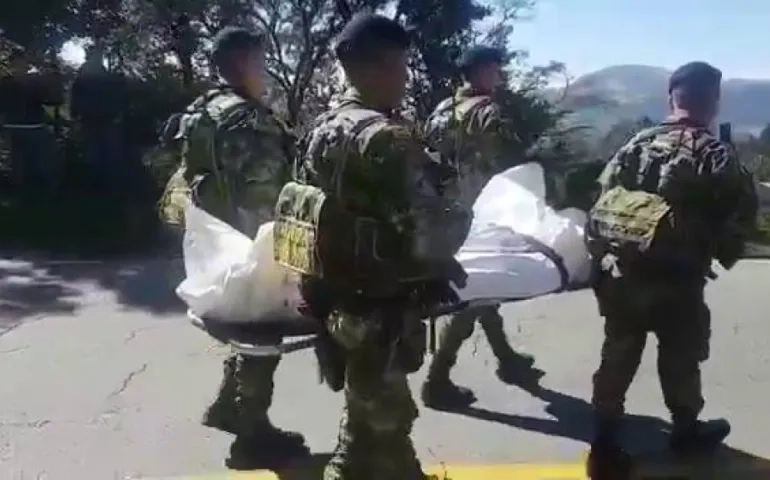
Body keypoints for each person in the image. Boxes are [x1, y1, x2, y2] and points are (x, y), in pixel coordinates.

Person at [278, 13, 469, 479]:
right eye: (400, 67)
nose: (405, 79)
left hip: (334, 296)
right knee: (388, 418)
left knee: (368, 410)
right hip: (380, 302)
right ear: (373, 69)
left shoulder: (320, 128)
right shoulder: (386, 137)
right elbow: (431, 224)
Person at [584, 61, 758, 477]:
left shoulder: (635, 144)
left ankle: (603, 444)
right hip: (678, 279)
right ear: (713, 101)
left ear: (671, 98)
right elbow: (739, 220)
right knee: (680, 356)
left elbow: (603, 199)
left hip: (624, 272)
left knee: (618, 353)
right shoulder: (715, 153)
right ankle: (685, 430)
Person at [157, 26, 305, 466]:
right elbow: (268, 193)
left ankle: (226, 406)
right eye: (260, 61)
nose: (265, 71)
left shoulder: (202, 111)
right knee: (262, 330)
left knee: (246, 329)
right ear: (244, 62)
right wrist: (289, 253)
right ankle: (251, 438)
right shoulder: (248, 119)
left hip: (212, 240)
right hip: (247, 238)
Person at [420, 45, 536, 410]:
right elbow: (512, 160)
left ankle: (507, 359)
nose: (499, 76)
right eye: (495, 69)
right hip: (480, 210)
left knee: (482, 288)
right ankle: (437, 379)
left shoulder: (442, 110)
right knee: (476, 291)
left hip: (444, 212)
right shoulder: (488, 112)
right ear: (481, 71)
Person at [0, 47, 61, 201]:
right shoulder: (34, 81)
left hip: (14, 126)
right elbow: (51, 100)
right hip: (32, 126)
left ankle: (20, 195)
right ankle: (38, 194)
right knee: (37, 162)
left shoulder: (5, 82)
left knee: (18, 163)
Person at [70, 45, 127, 193]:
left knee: (98, 154)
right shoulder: (97, 75)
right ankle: (104, 188)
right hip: (98, 119)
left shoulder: (87, 75)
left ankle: (99, 187)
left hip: (96, 119)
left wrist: (75, 116)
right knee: (102, 154)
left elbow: (75, 97)